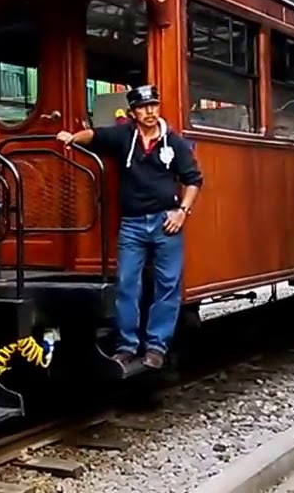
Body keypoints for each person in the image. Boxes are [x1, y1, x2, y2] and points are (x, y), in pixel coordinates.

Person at [56, 84, 203, 370]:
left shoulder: (174, 141)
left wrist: (182, 213)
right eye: (144, 107)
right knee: (126, 284)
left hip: (166, 222)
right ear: (133, 112)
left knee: (167, 287)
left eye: (154, 106)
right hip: (133, 224)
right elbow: (95, 136)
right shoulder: (124, 136)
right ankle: (126, 346)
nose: (150, 111)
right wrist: (72, 137)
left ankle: (157, 347)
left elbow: (194, 180)